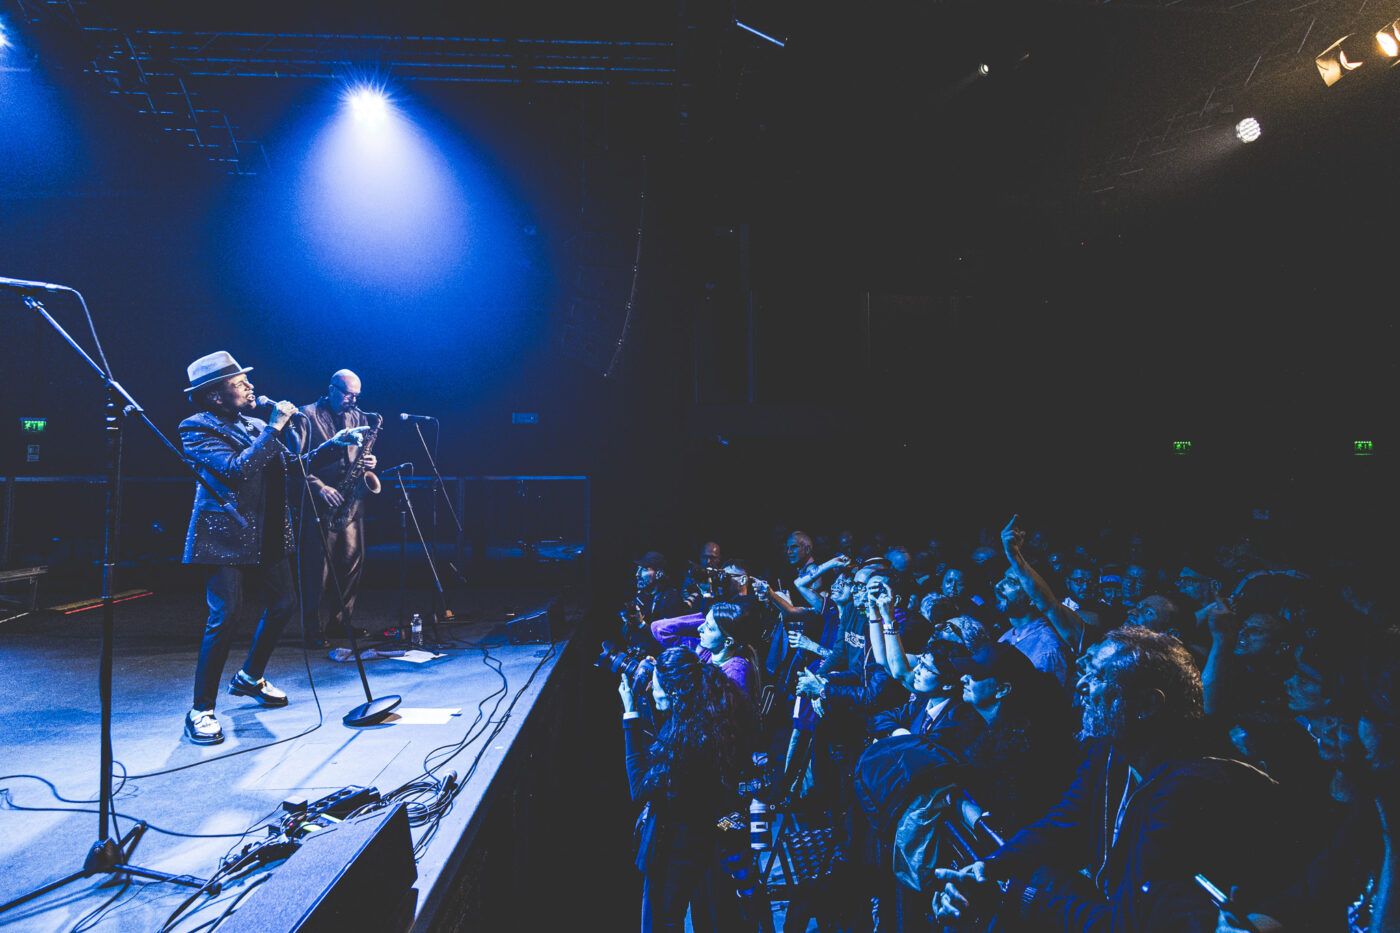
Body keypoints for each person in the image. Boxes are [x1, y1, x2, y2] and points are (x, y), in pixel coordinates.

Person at [932, 626, 1294, 931]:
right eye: (1085, 672)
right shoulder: (1109, 749)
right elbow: (1065, 821)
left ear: (1147, 705)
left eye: (1098, 677)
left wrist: (1017, 893)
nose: (1081, 686)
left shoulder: (1191, 786)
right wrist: (990, 867)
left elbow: (1128, 923)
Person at [179, 351, 367, 745]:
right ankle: (201, 710)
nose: (250, 387)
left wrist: (333, 445)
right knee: (226, 615)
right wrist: (274, 427)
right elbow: (237, 469)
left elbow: (292, 466)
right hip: (225, 536)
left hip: (265, 531)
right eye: (239, 383)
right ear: (215, 395)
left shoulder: (252, 424)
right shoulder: (196, 427)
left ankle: (250, 677)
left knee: (284, 604)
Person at [618, 647, 761, 931]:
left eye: (655, 685)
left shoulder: (683, 742)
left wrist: (630, 715)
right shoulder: (711, 716)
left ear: (673, 692)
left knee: (663, 919)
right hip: (712, 835)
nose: (650, 690)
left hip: (677, 843)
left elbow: (639, 788)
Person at [297, 369, 378, 647]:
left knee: (352, 563)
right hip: (321, 500)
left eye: (357, 396)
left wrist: (369, 462)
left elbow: (362, 452)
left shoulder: (360, 417)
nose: (353, 401)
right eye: (348, 394)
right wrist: (319, 487)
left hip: (351, 501)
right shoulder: (305, 415)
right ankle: (311, 628)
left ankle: (340, 623)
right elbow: (294, 462)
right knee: (316, 569)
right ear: (331, 389)